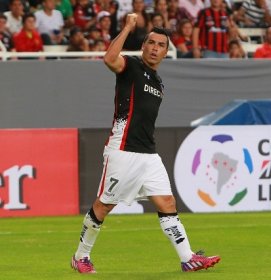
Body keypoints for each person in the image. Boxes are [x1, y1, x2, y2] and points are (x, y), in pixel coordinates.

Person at [70, 13, 221, 274]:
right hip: (123, 149)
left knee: (167, 203)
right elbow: (108, 59)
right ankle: (80, 256)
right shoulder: (130, 66)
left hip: (148, 154)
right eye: (151, 43)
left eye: (161, 45)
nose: (155, 48)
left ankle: (188, 258)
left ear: (165, 52)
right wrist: (128, 27)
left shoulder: (159, 83)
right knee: (105, 205)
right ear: (144, 46)